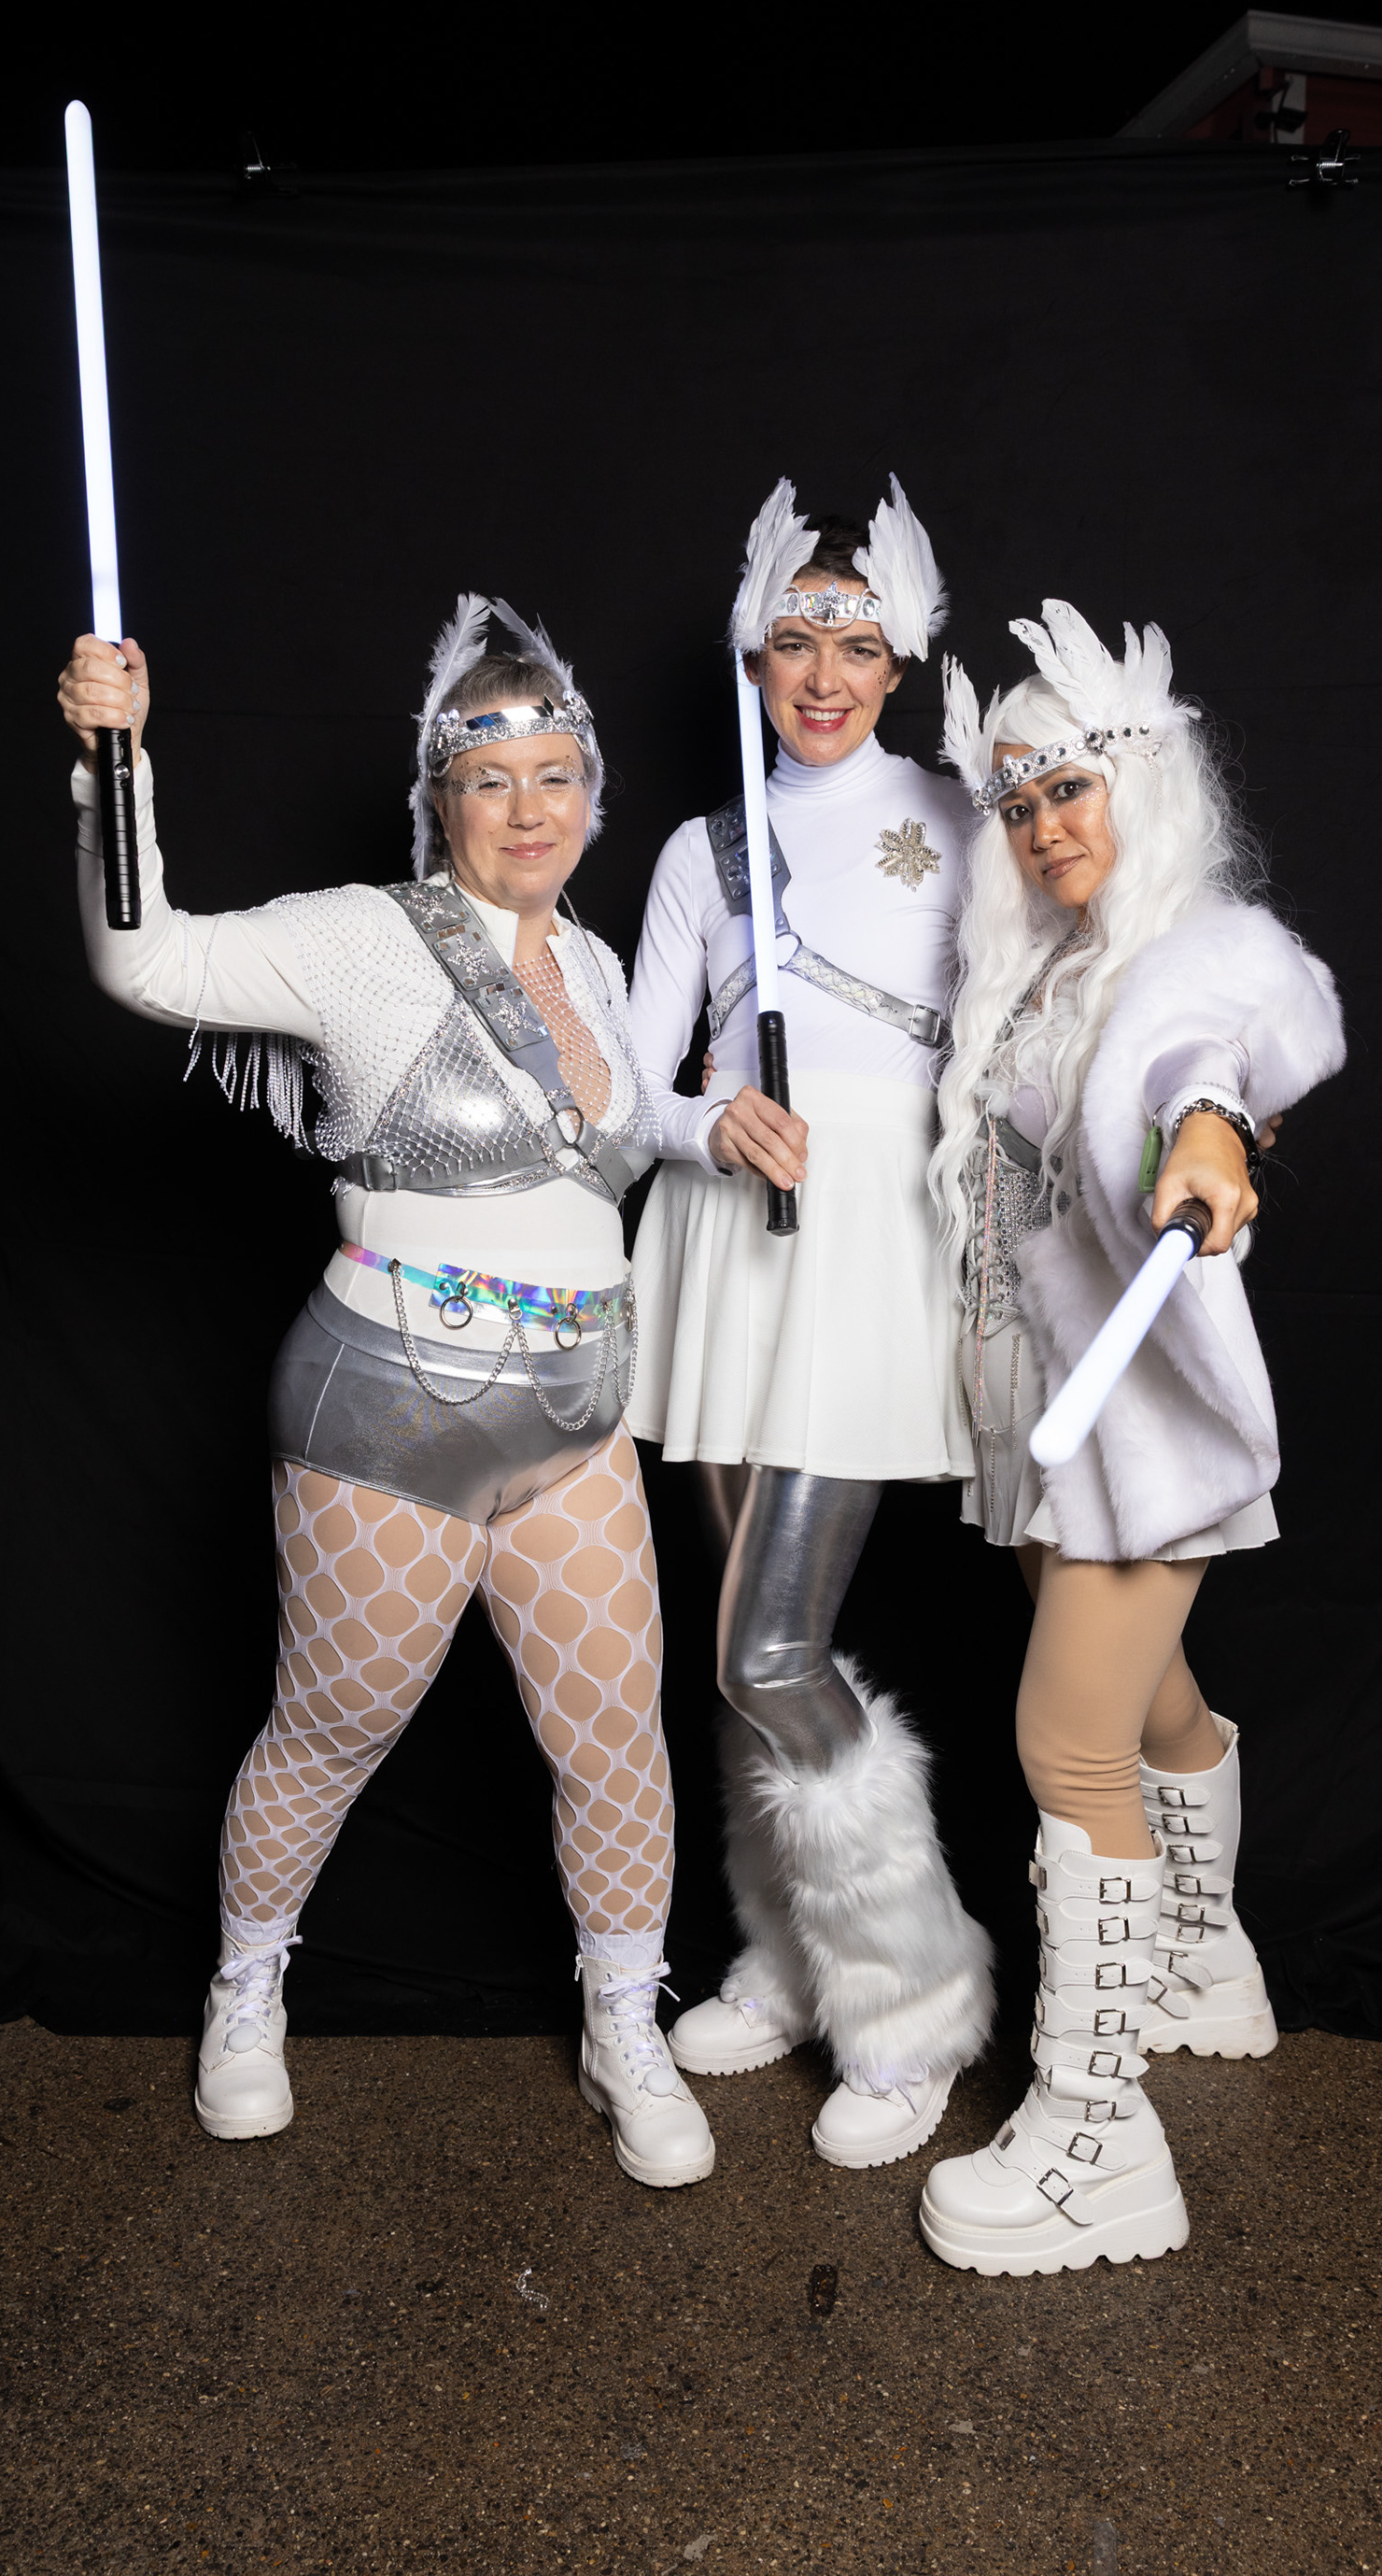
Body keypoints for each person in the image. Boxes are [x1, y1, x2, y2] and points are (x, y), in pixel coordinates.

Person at [56, 597, 715, 2189]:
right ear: (442, 799)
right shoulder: (370, 937)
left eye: (555, 776)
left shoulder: (600, 967)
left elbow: (616, 1148)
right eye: (492, 781)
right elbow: (147, 960)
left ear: (591, 795)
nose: (529, 808)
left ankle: (624, 2025)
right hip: (390, 1414)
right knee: (334, 1728)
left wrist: (729, 1126)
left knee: (616, 1738)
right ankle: (245, 1992)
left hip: (577, 1421)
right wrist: (111, 770)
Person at [915, 602, 1345, 2274]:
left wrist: (1210, 1132)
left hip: (1135, 1427)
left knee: (1067, 1745)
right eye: (1019, 805)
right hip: (1041, 1417)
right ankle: (1206, 1958)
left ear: (1144, 787)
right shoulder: (1039, 969)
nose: (1044, 828)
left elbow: (1226, 1038)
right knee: (1151, 1700)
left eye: (1072, 791)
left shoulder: (1192, 949)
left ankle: (1100, 2140)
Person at [626, 478, 995, 2172]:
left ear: (899, 661)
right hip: (725, 1243)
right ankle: (787, 1960)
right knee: (737, 1645)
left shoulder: (962, 818)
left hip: (866, 1247)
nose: (824, 674)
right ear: (755, 658)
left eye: (855, 645)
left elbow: (1046, 1012)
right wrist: (709, 1122)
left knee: (769, 1651)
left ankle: (911, 2005)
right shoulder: (700, 852)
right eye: (795, 642)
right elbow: (624, 1092)